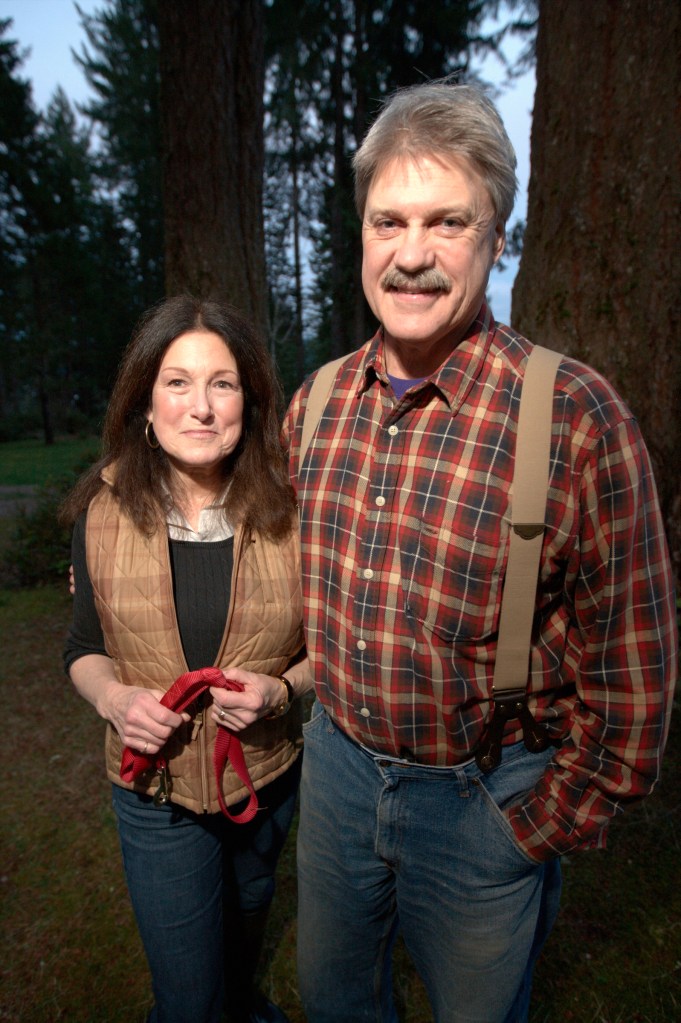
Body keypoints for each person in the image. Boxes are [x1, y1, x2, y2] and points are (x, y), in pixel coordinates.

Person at [282, 82, 678, 1022]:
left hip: (481, 797)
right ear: (361, 235)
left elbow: (633, 682)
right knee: (332, 1003)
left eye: (446, 222)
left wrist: (528, 830)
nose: (411, 253)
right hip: (334, 776)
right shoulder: (316, 402)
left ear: (496, 239)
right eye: (388, 221)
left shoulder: (574, 417)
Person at [62, 295, 311, 1023]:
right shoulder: (101, 515)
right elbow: (84, 648)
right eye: (177, 382)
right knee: (188, 995)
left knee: (248, 914)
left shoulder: (296, 511)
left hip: (264, 776)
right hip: (156, 791)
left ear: (248, 403)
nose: (200, 407)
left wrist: (279, 691)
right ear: (145, 402)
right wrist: (114, 700)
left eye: (221, 383)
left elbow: (332, 649)